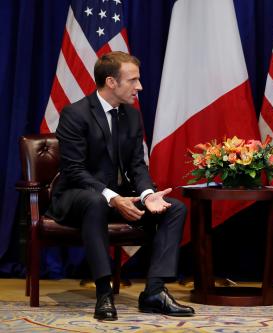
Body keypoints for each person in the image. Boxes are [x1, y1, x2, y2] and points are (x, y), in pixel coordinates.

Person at [47, 51, 194, 321]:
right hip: (76, 197)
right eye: (133, 80)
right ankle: (104, 293)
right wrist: (113, 198)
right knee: (95, 202)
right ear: (111, 82)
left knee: (174, 209)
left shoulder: (131, 116)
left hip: (118, 197)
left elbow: (137, 164)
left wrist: (148, 195)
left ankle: (155, 291)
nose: (139, 87)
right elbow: (74, 170)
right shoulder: (75, 113)